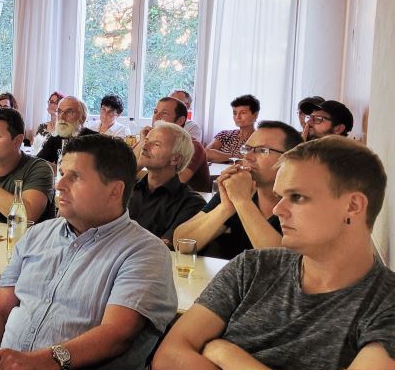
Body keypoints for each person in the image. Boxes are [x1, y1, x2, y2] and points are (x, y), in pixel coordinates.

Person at [152, 137, 395, 370]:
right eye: (281, 196)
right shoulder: (252, 267)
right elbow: (167, 363)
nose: (279, 209)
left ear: (352, 206)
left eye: (297, 197)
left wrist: (224, 353)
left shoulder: (386, 301)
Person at [0, 134, 177, 370]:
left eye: (75, 177)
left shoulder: (143, 251)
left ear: (115, 190)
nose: (59, 185)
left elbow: (116, 335)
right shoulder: (39, 234)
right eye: (61, 173)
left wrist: (37, 364)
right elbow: (1, 307)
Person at [174, 121, 303, 259]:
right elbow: (181, 244)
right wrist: (226, 208)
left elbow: (284, 264)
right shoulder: (239, 190)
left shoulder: (302, 203)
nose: (247, 157)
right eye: (246, 149)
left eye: (262, 151)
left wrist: (242, 202)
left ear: (290, 159)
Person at [128, 122, 205, 245]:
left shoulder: (191, 203)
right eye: (146, 140)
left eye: (156, 144)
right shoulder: (126, 189)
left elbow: (164, 247)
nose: (145, 146)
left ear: (175, 159)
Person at [137, 96, 212, 193]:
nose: (156, 117)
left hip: (185, 204)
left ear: (180, 121)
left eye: (164, 113)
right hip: (156, 199)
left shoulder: (191, 146)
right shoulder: (147, 140)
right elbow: (125, 171)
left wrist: (135, 175)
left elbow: (174, 182)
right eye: (155, 112)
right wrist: (143, 141)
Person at [36, 95, 96, 164]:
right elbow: (37, 163)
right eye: (59, 112)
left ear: (82, 118)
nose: (62, 117)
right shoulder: (55, 138)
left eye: (69, 112)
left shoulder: (94, 140)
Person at [206, 94, 260, 163]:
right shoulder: (225, 134)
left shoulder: (260, 139)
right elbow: (206, 154)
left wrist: (220, 156)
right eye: (235, 113)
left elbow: (254, 162)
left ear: (255, 115)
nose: (237, 117)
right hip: (218, 173)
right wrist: (238, 157)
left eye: (243, 113)